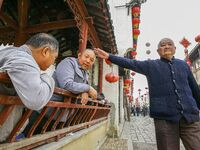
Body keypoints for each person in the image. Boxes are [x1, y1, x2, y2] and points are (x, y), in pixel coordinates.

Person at [94, 38, 200, 150]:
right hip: (164, 119)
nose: (167, 47)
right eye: (163, 45)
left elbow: (195, 89)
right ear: (158, 50)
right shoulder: (151, 65)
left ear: (175, 48)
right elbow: (131, 63)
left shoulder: (183, 65)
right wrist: (109, 57)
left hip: (190, 117)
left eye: (170, 44)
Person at [0, 33, 59, 142]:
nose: (53, 63)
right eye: (54, 58)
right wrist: (48, 78)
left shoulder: (8, 52)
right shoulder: (24, 60)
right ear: (45, 51)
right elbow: (37, 99)